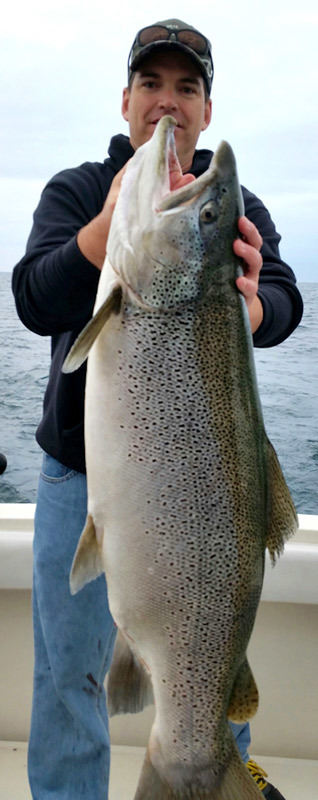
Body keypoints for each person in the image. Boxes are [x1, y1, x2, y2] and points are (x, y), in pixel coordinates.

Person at [12, 18, 303, 800]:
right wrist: (102, 237)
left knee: (207, 675)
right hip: (78, 485)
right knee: (68, 683)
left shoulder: (234, 208)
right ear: (126, 100)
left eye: (187, 87)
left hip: (212, 498)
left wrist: (252, 309)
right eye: (152, 84)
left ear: (208, 109)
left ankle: (202, 767)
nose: (168, 104)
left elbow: (283, 296)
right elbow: (35, 297)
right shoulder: (79, 191)